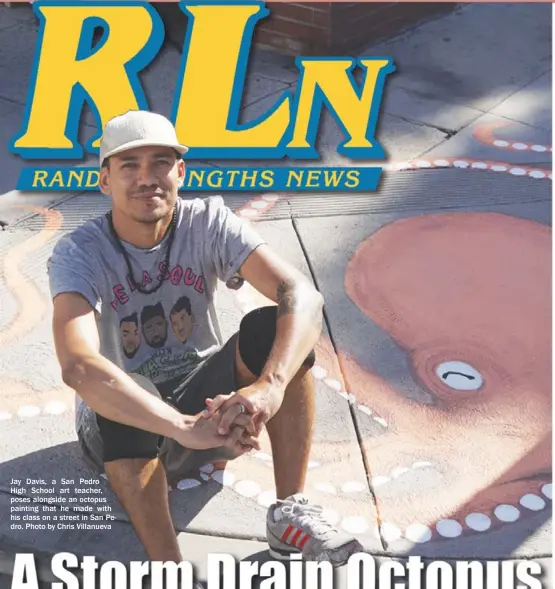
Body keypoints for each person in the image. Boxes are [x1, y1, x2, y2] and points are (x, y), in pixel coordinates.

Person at [47, 110, 363, 566]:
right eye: (128, 165)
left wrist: (267, 388)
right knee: (117, 383)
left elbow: (303, 294)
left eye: (159, 162)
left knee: (274, 325)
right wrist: (180, 428)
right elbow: (77, 365)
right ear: (104, 180)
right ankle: (168, 567)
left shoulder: (208, 222)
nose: (146, 178)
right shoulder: (80, 252)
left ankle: (289, 514)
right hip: (123, 432)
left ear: (180, 171)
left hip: (210, 409)